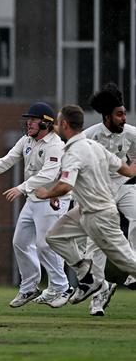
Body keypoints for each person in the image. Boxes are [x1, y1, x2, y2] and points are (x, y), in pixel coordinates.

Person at [0, 102, 72, 308]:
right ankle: (29, 287)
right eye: (28, 120)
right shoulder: (26, 140)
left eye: (33, 120)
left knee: (45, 245)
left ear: (45, 123)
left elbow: (49, 173)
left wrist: (22, 188)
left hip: (52, 199)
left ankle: (62, 287)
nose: (29, 123)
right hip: (34, 199)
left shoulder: (55, 145)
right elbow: (8, 159)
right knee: (20, 242)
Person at [35, 105, 136, 309]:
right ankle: (88, 277)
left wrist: (47, 193)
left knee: (127, 262)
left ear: (64, 124)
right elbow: (126, 170)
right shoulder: (93, 145)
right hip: (83, 211)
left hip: (101, 215)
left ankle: (92, 279)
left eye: (58, 122)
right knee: (54, 236)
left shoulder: (75, 152)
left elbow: (66, 185)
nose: (56, 125)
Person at [82, 83, 136, 315]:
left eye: (124, 113)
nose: (124, 118)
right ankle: (98, 297)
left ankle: (133, 273)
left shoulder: (131, 133)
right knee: (96, 242)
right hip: (99, 193)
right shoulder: (89, 136)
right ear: (107, 116)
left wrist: (132, 168)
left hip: (123, 186)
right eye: (119, 114)